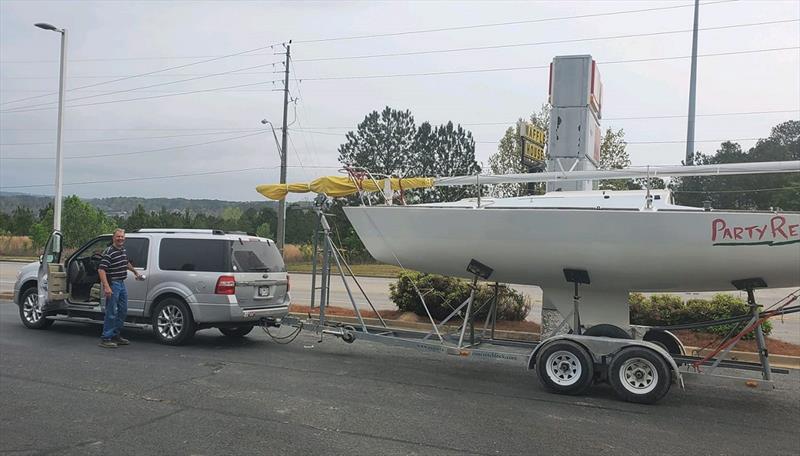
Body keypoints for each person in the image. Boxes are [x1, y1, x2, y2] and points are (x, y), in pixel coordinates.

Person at [98, 228, 142, 348]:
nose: (120, 239)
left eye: (122, 237)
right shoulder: (109, 252)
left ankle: (115, 335)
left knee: (122, 310)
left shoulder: (122, 250)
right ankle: (106, 338)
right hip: (113, 284)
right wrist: (107, 287)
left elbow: (125, 262)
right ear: (113, 238)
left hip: (121, 284)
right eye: (118, 237)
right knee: (111, 311)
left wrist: (135, 272)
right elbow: (101, 269)